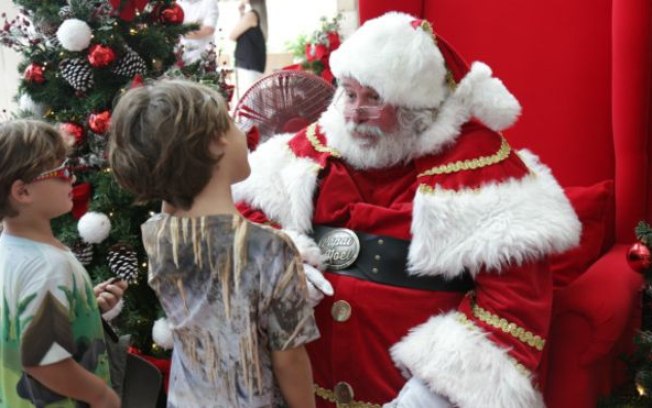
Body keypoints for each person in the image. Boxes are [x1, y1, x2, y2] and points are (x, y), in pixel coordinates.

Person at [234, 12, 582, 408]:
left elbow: (513, 308)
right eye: (349, 94)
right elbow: (245, 215)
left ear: (415, 108)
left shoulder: (485, 172)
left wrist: (425, 400)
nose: (353, 113)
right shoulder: (314, 146)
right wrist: (285, 257)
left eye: (374, 98)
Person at [107, 79, 319, 407]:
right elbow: (289, 358)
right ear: (215, 142)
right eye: (233, 123)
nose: (242, 132)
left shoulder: (157, 233)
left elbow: (170, 203)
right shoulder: (269, 248)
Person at [0, 119, 127, 407]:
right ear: (23, 192)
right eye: (62, 171)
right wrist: (101, 395)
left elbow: (23, 321)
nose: (71, 178)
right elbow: (42, 361)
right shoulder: (47, 267)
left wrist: (81, 306)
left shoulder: (10, 249)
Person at [229, 0, 267, 98]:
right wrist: (241, 13)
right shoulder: (255, 15)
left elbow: (232, 35)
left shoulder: (251, 15)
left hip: (247, 67)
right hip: (251, 65)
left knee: (248, 102)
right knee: (251, 100)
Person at [177, 0, 220, 64]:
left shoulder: (210, 2)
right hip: (177, 58)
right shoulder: (175, 3)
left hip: (201, 59)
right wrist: (194, 27)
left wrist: (178, 29)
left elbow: (208, 30)